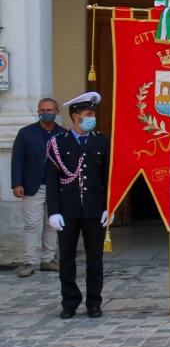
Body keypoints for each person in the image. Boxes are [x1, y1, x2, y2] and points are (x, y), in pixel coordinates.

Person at [43, 92, 110, 320]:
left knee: (95, 259)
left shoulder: (102, 141)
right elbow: (52, 180)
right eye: (88, 114)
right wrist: (54, 211)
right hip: (68, 210)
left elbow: (108, 177)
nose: (92, 118)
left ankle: (94, 302)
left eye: (93, 114)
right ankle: (69, 302)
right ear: (75, 116)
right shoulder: (58, 143)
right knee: (67, 259)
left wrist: (109, 206)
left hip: (94, 209)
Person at [10, 97, 64, 278]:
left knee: (52, 224)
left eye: (49, 110)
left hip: (56, 187)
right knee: (32, 225)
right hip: (32, 186)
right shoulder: (26, 133)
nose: (45, 113)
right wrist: (17, 183)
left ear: (57, 112)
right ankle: (29, 262)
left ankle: (48, 260)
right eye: (42, 110)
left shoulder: (63, 134)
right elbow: (17, 159)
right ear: (38, 112)